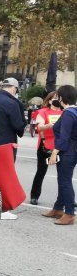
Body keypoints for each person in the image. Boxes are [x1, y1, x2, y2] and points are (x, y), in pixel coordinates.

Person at [0, 77, 25, 220]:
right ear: (14, 88)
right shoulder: (12, 103)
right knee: (4, 177)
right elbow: (19, 128)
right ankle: (2, 209)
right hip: (6, 145)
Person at [45, 85, 77, 226]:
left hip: (67, 152)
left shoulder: (68, 114)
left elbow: (64, 137)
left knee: (65, 182)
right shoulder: (73, 111)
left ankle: (69, 213)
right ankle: (58, 208)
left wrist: (54, 152)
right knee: (63, 180)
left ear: (62, 98)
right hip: (72, 151)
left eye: (57, 96)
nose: (56, 99)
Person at [30, 92, 62, 204]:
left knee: (62, 174)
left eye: (58, 98)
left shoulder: (65, 112)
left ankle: (63, 198)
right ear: (49, 101)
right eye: (54, 98)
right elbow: (40, 127)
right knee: (41, 171)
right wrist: (51, 125)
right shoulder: (43, 112)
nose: (56, 100)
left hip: (60, 146)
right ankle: (34, 196)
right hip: (45, 145)